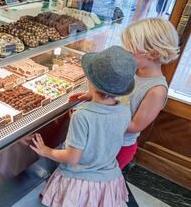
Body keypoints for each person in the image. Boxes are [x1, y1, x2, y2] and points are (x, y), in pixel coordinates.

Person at [31, 46, 136, 207]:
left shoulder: (82, 115)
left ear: (91, 82)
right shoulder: (124, 111)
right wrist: (93, 99)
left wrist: (46, 151)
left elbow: (72, 157)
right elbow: (107, 130)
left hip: (81, 178)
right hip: (108, 176)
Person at [69, 18, 179, 169]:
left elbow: (134, 126)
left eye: (129, 51)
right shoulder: (132, 70)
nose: (125, 55)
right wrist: (92, 96)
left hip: (119, 146)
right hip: (101, 138)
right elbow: (116, 95)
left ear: (152, 54)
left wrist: (96, 118)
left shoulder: (156, 90)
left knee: (98, 180)